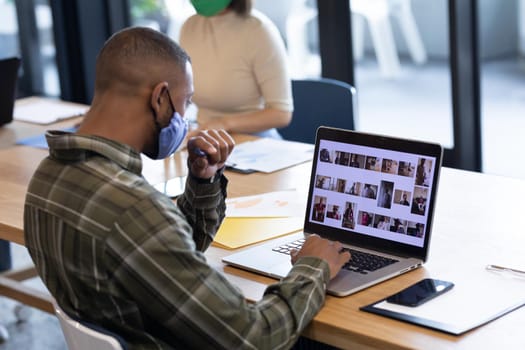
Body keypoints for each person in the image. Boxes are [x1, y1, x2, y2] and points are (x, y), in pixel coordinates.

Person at [23, 27, 350, 349]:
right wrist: (313, 267)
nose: (185, 118)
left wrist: (203, 181)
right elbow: (254, 339)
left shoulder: (47, 177)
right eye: (185, 103)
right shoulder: (133, 208)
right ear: (159, 97)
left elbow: (167, 258)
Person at [179, 0, 292, 138]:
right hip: (204, 137)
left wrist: (224, 124)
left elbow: (281, 114)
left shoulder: (259, 30)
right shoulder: (189, 27)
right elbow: (181, 94)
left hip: (255, 140)